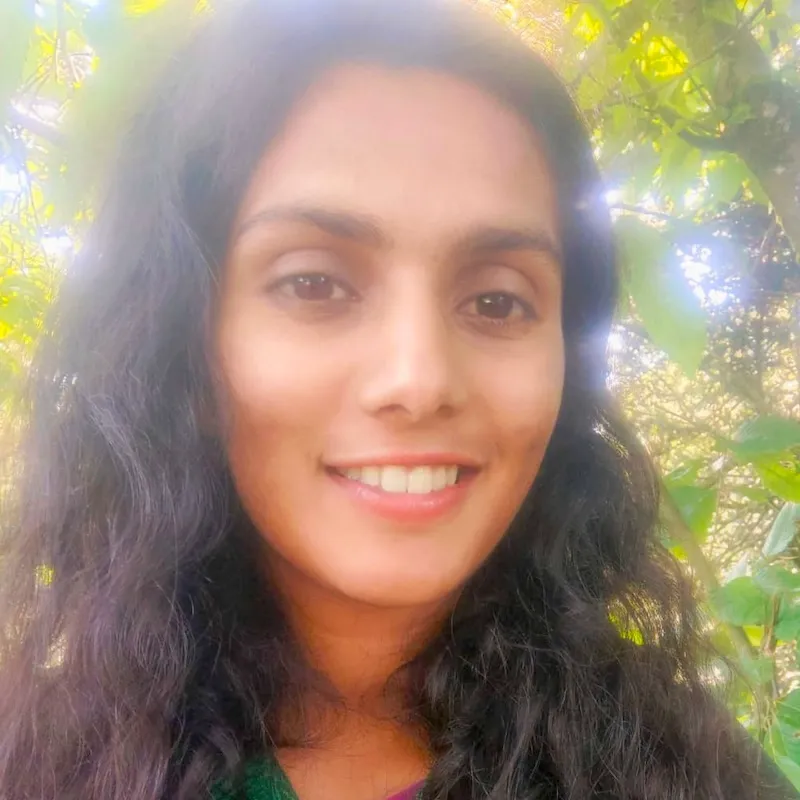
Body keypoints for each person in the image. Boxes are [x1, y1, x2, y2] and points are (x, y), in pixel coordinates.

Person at [0, 0, 795, 798]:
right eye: (314, 283)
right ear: (184, 339)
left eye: (496, 301)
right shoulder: (34, 763)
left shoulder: (702, 778)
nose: (418, 380)